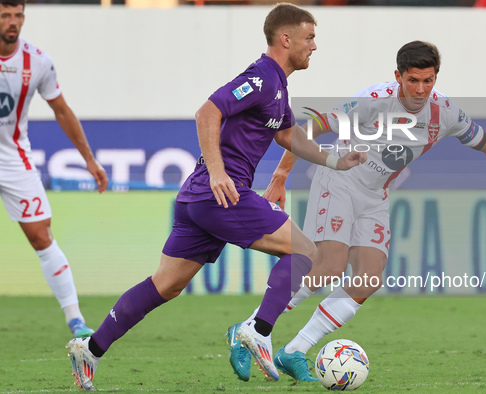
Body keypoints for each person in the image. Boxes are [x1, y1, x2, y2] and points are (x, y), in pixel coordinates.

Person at [65, 2, 365, 391]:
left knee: (166, 285)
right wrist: (220, 171)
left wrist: (334, 161)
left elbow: (287, 135)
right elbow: (207, 112)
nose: (314, 46)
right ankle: (256, 330)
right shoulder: (260, 78)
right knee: (307, 253)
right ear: (285, 38)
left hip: (199, 199)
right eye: (310, 38)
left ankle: (90, 348)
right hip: (221, 194)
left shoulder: (278, 86)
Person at [233, 40, 486, 382]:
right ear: (398, 76)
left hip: (375, 194)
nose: (420, 89)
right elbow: (311, 128)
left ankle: (294, 351)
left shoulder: (445, 113)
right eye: (413, 80)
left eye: (428, 81)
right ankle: (250, 329)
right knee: (330, 266)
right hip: (338, 179)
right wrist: (281, 175)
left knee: (368, 278)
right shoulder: (373, 101)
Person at [0, 0, 108, 338]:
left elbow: (61, 110)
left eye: (18, 15)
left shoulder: (38, 62)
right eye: (5, 15)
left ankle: (75, 319)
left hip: (13, 158)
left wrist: (89, 159)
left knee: (41, 235)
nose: (12, 22)